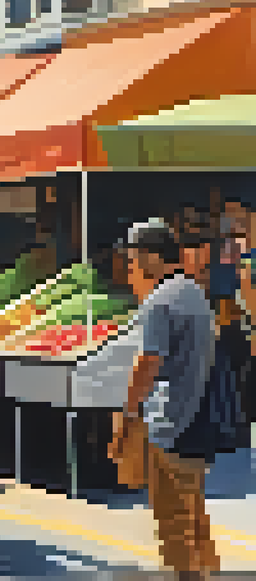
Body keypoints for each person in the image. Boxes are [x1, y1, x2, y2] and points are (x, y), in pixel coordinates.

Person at [116, 220, 220, 575]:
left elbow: (148, 362)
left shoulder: (161, 301)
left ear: (148, 255)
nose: (131, 265)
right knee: (194, 516)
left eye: (133, 257)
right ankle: (206, 571)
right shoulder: (193, 293)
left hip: (171, 422)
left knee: (173, 520)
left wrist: (129, 413)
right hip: (199, 417)